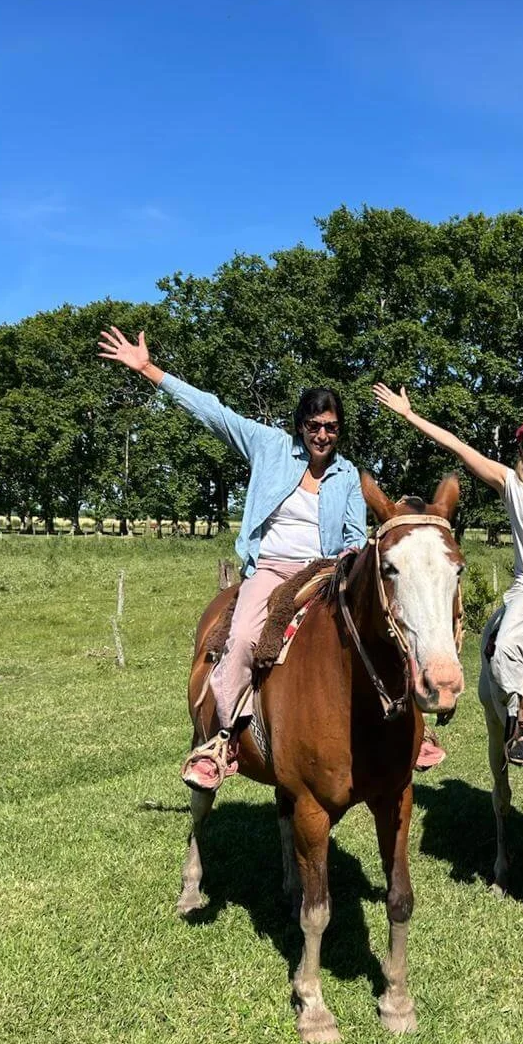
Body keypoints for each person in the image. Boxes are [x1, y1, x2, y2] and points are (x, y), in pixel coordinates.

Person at [99, 325, 367, 790]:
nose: (323, 435)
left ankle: (401, 729)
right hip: (273, 569)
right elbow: (213, 412)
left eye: (331, 427)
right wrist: (148, 370)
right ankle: (224, 737)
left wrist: (349, 557)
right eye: (315, 426)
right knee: (242, 637)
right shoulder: (270, 447)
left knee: (377, 631)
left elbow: (356, 535)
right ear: (301, 426)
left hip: (324, 574)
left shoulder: (348, 475)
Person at [372, 383, 523, 764]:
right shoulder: (510, 484)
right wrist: (409, 415)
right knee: (504, 648)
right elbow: (459, 447)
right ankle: (520, 719)